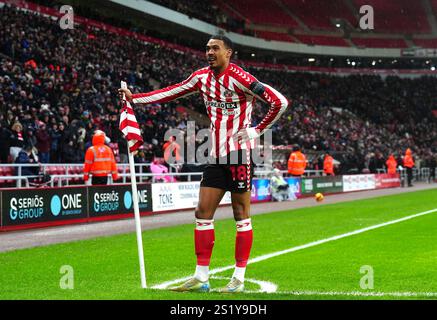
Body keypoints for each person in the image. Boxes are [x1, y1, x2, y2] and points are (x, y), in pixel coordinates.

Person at [119, 34, 289, 293]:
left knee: (241, 216)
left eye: (215, 48)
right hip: (215, 155)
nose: (209, 52)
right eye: (207, 48)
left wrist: (257, 130)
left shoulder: (241, 78)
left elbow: (279, 102)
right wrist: (135, 98)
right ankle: (201, 278)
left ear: (228, 53)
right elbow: (170, 92)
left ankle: (238, 279)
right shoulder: (201, 78)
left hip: (240, 154)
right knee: (202, 213)